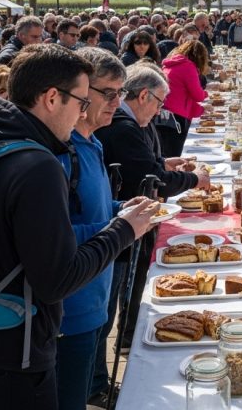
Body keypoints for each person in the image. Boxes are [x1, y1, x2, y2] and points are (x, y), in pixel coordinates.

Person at [0, 44, 159, 410]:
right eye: (82, 101)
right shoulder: (38, 164)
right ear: (52, 98)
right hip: (8, 349)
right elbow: (57, 278)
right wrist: (123, 229)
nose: (84, 112)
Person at [92, 63, 210, 397]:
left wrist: (166, 163)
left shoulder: (133, 123)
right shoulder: (124, 127)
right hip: (120, 227)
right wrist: (193, 180)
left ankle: (107, 365)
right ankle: (96, 382)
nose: (161, 110)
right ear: (143, 95)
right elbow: (151, 180)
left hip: (127, 222)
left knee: (117, 298)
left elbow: (149, 166)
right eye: (159, 102)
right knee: (108, 306)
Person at [52, 48, 128, 410]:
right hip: (72, 306)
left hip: (95, 295)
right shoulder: (61, 153)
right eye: (108, 93)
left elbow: (92, 210)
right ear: (81, 92)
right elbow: (56, 235)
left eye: (121, 93)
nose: (117, 102)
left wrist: (123, 209)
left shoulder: (93, 141)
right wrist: (122, 226)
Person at [159, 40, 209, 157]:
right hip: (175, 116)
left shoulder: (173, 64)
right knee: (174, 152)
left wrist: (201, 109)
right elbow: (197, 95)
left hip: (165, 112)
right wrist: (206, 94)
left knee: (167, 150)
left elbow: (183, 95)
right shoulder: (188, 66)